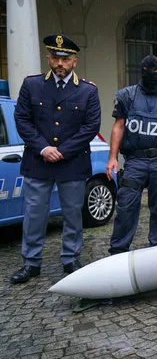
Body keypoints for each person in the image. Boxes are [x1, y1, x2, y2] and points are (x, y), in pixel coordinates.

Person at [10, 34, 101, 284]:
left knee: (72, 213)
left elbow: (91, 126)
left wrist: (63, 150)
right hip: (38, 162)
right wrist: (43, 148)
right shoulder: (32, 85)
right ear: (48, 58)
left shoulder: (87, 91)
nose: (60, 63)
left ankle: (70, 258)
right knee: (34, 214)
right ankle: (31, 262)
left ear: (75, 61)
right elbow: (22, 120)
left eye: (66, 58)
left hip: (71, 162)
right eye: (56, 57)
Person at [105, 55, 157, 254]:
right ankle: (118, 251)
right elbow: (119, 126)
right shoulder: (127, 96)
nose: (152, 77)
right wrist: (112, 157)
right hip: (136, 160)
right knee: (126, 207)